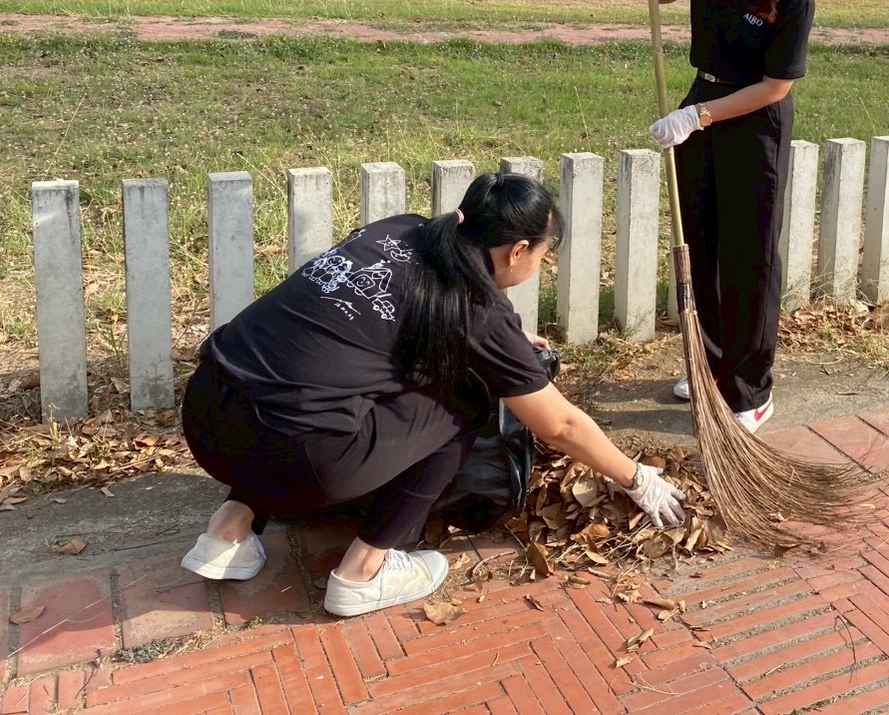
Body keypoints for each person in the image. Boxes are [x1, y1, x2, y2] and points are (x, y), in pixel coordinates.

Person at [178, 172, 686, 617]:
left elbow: (378, 320)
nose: (539, 264)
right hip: (298, 462)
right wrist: (637, 478)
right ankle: (363, 572)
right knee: (468, 396)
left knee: (299, 390)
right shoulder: (475, 309)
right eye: (543, 255)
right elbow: (560, 425)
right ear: (518, 251)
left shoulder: (397, 229)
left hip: (206, 417)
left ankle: (228, 529)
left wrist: (506, 339)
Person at [628, 0, 817, 434]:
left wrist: (698, 117)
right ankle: (710, 369)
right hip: (700, 103)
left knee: (748, 258)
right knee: (702, 245)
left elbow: (776, 85)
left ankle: (751, 389)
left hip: (752, 124)